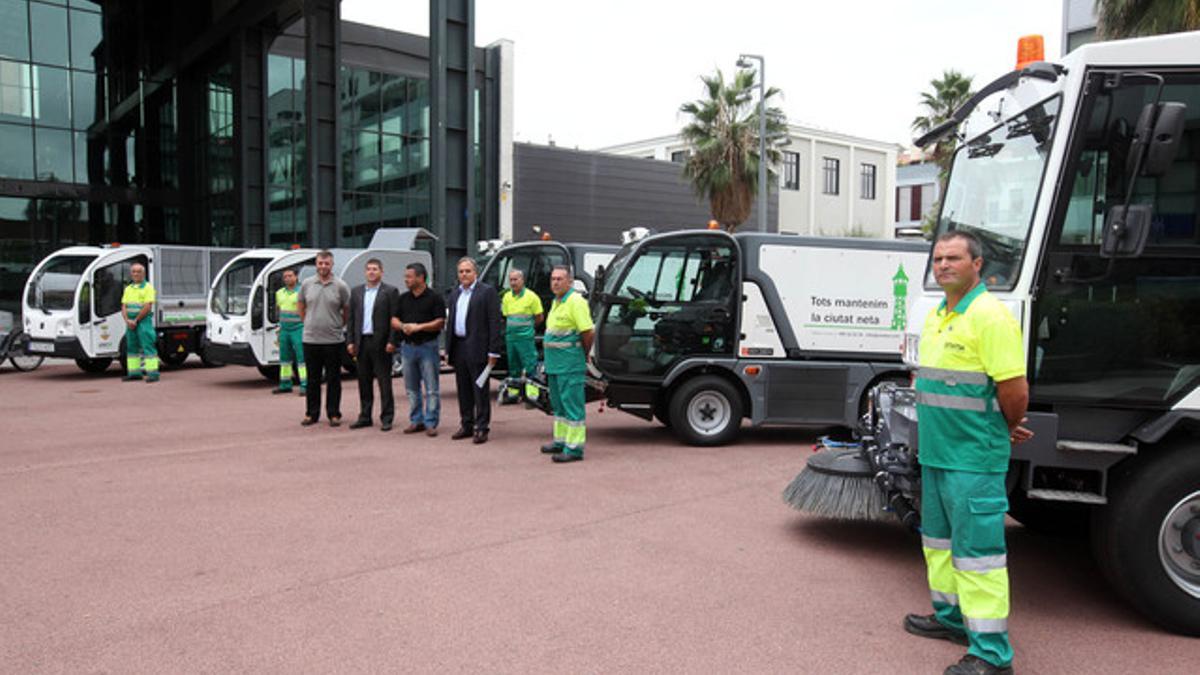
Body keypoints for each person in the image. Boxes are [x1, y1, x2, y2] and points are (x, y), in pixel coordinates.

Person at [903, 230, 1031, 675]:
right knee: (939, 545)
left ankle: (993, 655)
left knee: (979, 557)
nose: (943, 265)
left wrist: (1005, 427)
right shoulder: (940, 314)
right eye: (938, 258)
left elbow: (1015, 390)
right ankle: (952, 619)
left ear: (978, 265)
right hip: (938, 455)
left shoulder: (990, 317)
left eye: (953, 258)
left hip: (973, 460)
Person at [540, 265, 594, 463]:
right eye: (553, 279)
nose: (555, 282)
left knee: (573, 407)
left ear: (569, 282)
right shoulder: (557, 301)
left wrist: (584, 354)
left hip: (570, 364)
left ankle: (574, 448)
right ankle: (561, 441)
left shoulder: (576, 301)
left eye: (560, 279)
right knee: (559, 406)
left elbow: (588, 332)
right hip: (555, 365)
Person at [445, 257, 501, 444]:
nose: (464, 275)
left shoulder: (487, 292)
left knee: (479, 390)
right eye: (461, 271)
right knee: (463, 389)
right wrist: (448, 348)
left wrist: (493, 351)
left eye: (467, 271)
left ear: (475, 273)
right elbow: (450, 322)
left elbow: (494, 322)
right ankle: (466, 424)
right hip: (459, 346)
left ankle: (481, 427)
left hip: (478, 347)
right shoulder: (454, 294)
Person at [297, 250, 351, 427]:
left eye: (326, 263)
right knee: (312, 379)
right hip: (311, 340)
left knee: (334, 379)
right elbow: (301, 305)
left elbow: (346, 310)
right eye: (320, 263)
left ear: (332, 265)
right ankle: (311, 414)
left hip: (333, 340)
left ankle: (334, 414)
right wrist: (308, 322)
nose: (323, 266)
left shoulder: (341, 286)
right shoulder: (306, 284)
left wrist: (337, 325)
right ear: (316, 264)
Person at [392, 262, 445, 436]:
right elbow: (393, 319)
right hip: (407, 348)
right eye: (405, 276)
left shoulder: (434, 297)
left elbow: (439, 322)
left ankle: (431, 422)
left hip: (428, 347)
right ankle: (416, 420)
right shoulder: (403, 298)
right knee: (411, 388)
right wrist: (403, 326)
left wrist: (418, 327)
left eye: (409, 276)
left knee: (431, 388)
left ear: (421, 278)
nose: (406, 279)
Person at [347, 258, 400, 431]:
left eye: (375, 269)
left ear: (381, 272)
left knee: (384, 382)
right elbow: (351, 319)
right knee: (363, 381)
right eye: (369, 269)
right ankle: (365, 416)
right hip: (361, 342)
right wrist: (350, 341)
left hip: (381, 343)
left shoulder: (390, 292)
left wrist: (393, 341)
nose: (371, 272)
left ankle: (387, 417)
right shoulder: (356, 292)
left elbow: (394, 318)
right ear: (365, 272)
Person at [499, 269, 544, 404]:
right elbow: (506, 316)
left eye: (515, 279)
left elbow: (539, 317)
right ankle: (514, 393)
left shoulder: (532, 297)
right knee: (513, 366)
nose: (513, 283)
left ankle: (532, 396)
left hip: (525, 338)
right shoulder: (507, 297)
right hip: (511, 337)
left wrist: (528, 329)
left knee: (530, 365)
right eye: (511, 280)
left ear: (522, 280)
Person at [121, 262, 159, 383]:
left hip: (143, 321)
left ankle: (152, 374)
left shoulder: (148, 287)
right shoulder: (128, 288)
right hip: (130, 322)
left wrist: (136, 320)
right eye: (134, 271)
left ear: (144, 274)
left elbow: (148, 306)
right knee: (131, 347)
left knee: (148, 346)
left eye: (139, 271)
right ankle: (134, 373)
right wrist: (127, 320)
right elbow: (124, 305)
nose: (136, 274)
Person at [273, 268, 307, 396]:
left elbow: (307, 309)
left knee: (302, 358)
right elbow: (278, 310)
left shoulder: (302, 291)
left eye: (290, 276)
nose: (287, 278)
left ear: (296, 277)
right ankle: (285, 384)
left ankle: (305, 385)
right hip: (284, 329)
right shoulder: (279, 293)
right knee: (284, 358)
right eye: (285, 276)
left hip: (299, 328)